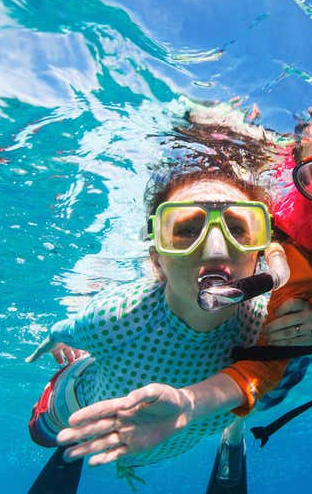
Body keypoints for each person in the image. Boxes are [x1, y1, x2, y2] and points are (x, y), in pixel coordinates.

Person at [52, 72, 312, 462]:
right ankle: (235, 419)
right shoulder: (294, 252)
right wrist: (192, 403)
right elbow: (263, 365)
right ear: (304, 189)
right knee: (276, 383)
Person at [24, 104, 285, 493]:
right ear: (156, 258)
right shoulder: (120, 314)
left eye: (237, 229)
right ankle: (76, 423)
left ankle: (233, 426)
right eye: (186, 230)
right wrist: (61, 335)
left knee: (268, 390)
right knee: (41, 434)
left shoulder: (270, 321)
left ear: (260, 254)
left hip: (195, 421)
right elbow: (70, 327)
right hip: (86, 405)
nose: (215, 249)